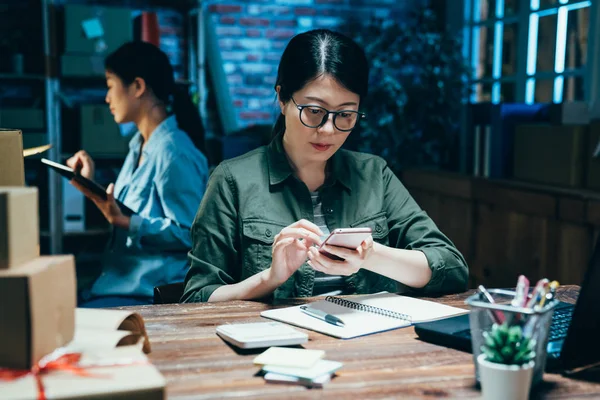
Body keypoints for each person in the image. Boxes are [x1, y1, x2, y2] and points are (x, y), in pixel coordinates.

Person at [181, 29, 468, 303]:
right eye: (314, 111)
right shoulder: (232, 180)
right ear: (282, 98)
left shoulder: (374, 174)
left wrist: (370, 256)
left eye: (345, 114)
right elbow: (198, 297)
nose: (329, 130)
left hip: (367, 341)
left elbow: (452, 268)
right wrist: (270, 278)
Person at [69, 41, 209, 307]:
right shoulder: (138, 145)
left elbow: (191, 234)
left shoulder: (174, 152)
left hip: (146, 294)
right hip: (116, 284)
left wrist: (128, 223)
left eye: (110, 85)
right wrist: (88, 185)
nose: (107, 98)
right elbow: (123, 212)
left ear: (138, 87)